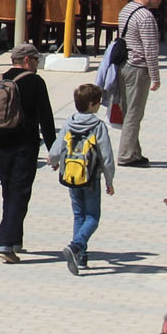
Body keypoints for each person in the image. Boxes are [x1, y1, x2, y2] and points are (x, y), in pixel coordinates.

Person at [0, 44, 56, 262]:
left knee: (9, 193)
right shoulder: (35, 82)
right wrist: (54, 150)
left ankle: (15, 240)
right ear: (27, 60)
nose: (37, 65)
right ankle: (5, 243)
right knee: (20, 193)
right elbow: (46, 118)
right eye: (36, 60)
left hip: (0, 145)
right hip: (24, 145)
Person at [46, 82, 115, 274]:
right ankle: (76, 247)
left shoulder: (69, 122)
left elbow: (57, 147)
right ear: (93, 104)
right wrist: (110, 180)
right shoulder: (98, 126)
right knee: (93, 217)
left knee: (78, 214)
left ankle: (81, 257)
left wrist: (53, 162)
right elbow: (107, 157)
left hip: (70, 175)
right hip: (91, 177)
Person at [113, 0, 164, 167]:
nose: (159, 2)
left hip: (124, 65)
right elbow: (150, 49)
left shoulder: (127, 9)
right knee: (134, 114)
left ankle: (135, 151)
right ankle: (126, 155)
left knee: (129, 111)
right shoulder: (146, 17)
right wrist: (155, 76)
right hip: (138, 69)